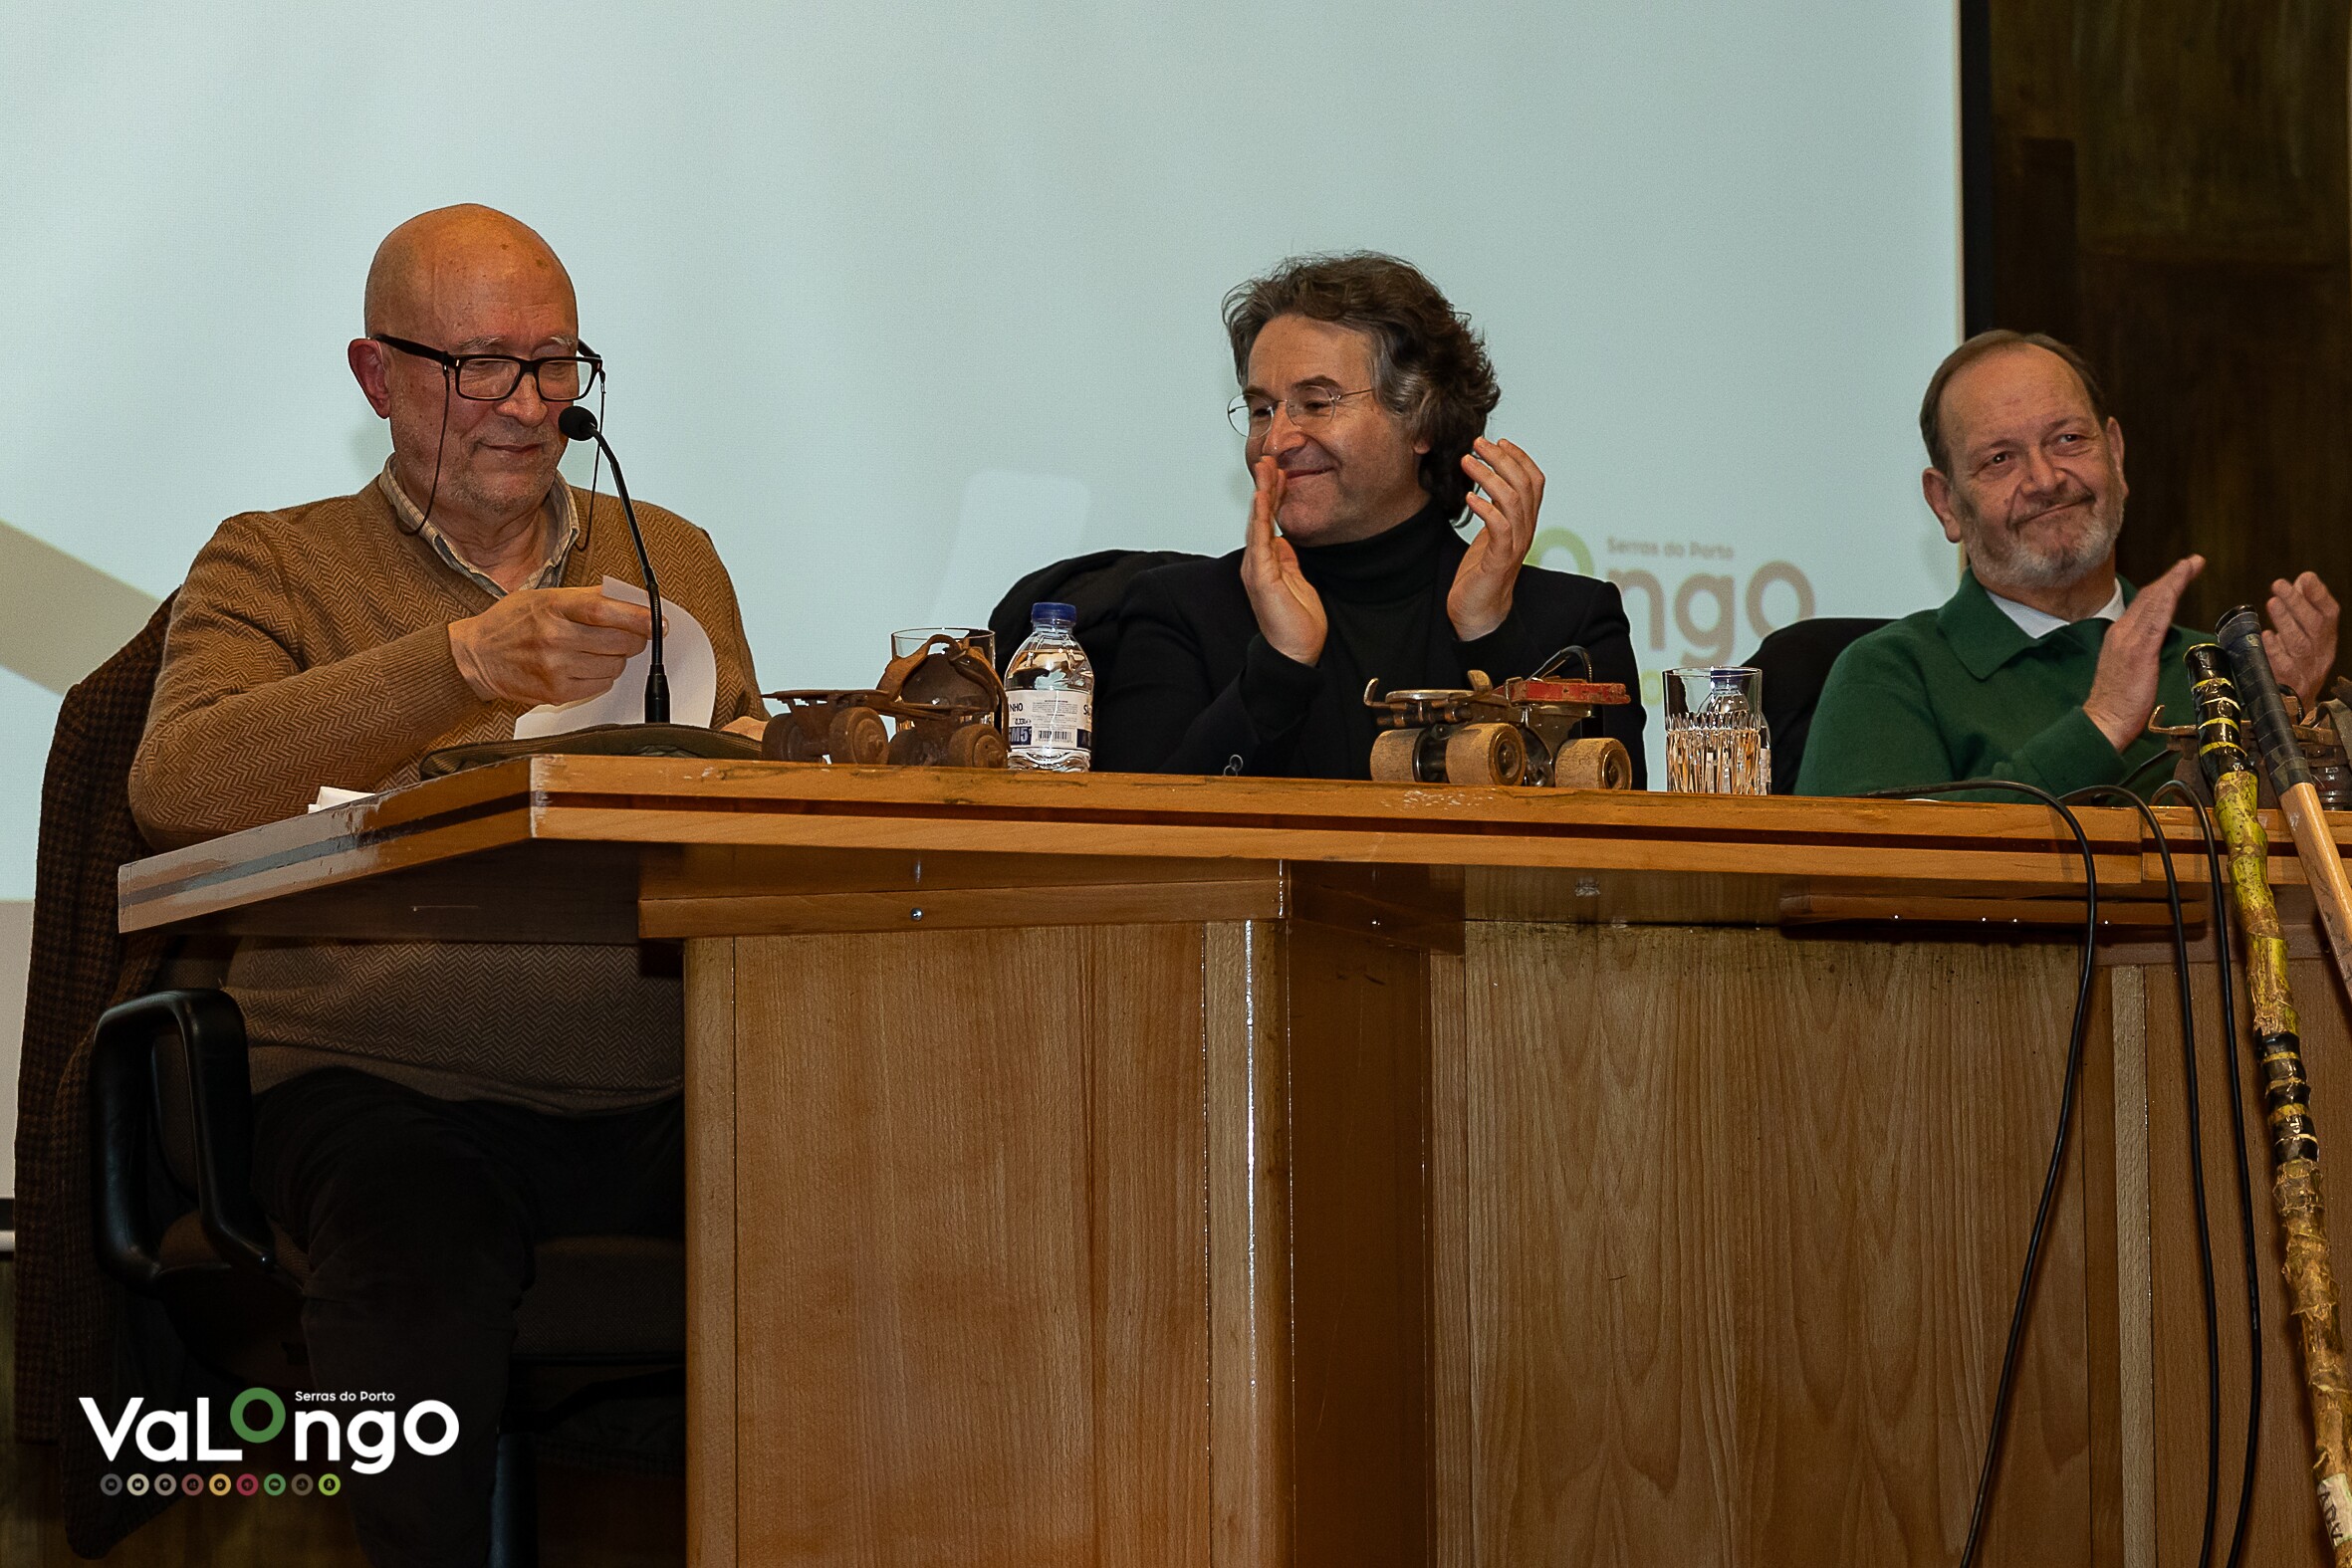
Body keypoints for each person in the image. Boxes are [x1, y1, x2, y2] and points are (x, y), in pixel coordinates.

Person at [125, 205, 766, 1568]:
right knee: (414, 1234)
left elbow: (737, 819)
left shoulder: (669, 553)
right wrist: (459, 664)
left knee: (870, 1176)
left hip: (659, 1085)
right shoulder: (272, 559)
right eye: (481, 365)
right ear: (377, 375)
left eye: (555, 364)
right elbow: (179, 783)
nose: (527, 407)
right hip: (381, 1077)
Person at [1095, 253, 1646, 782]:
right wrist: (1278, 671)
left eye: (1317, 403)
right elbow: (1136, 832)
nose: (1277, 441)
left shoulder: (1570, 626)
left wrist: (1490, 636)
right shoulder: (1181, 612)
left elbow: (1606, 836)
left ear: (1422, 420)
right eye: (1262, 410)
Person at [1797, 330, 2337, 799]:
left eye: (2068, 440)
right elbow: (1883, 869)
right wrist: (2102, 723)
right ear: (1945, 504)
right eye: (1999, 459)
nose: (2045, 479)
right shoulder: (1885, 676)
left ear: (2115, 455)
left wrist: (2286, 725)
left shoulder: (2222, 672)